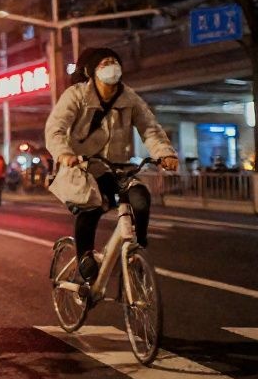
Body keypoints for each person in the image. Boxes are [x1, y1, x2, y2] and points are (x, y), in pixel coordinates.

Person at [45, 47, 179, 284]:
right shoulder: (76, 95)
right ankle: (85, 256)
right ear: (92, 71)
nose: (112, 67)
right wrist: (64, 153)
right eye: (105, 63)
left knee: (140, 197)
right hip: (83, 168)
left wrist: (165, 153)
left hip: (117, 168)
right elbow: (55, 129)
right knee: (92, 206)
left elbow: (150, 129)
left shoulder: (129, 98)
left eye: (114, 62)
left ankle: (137, 251)